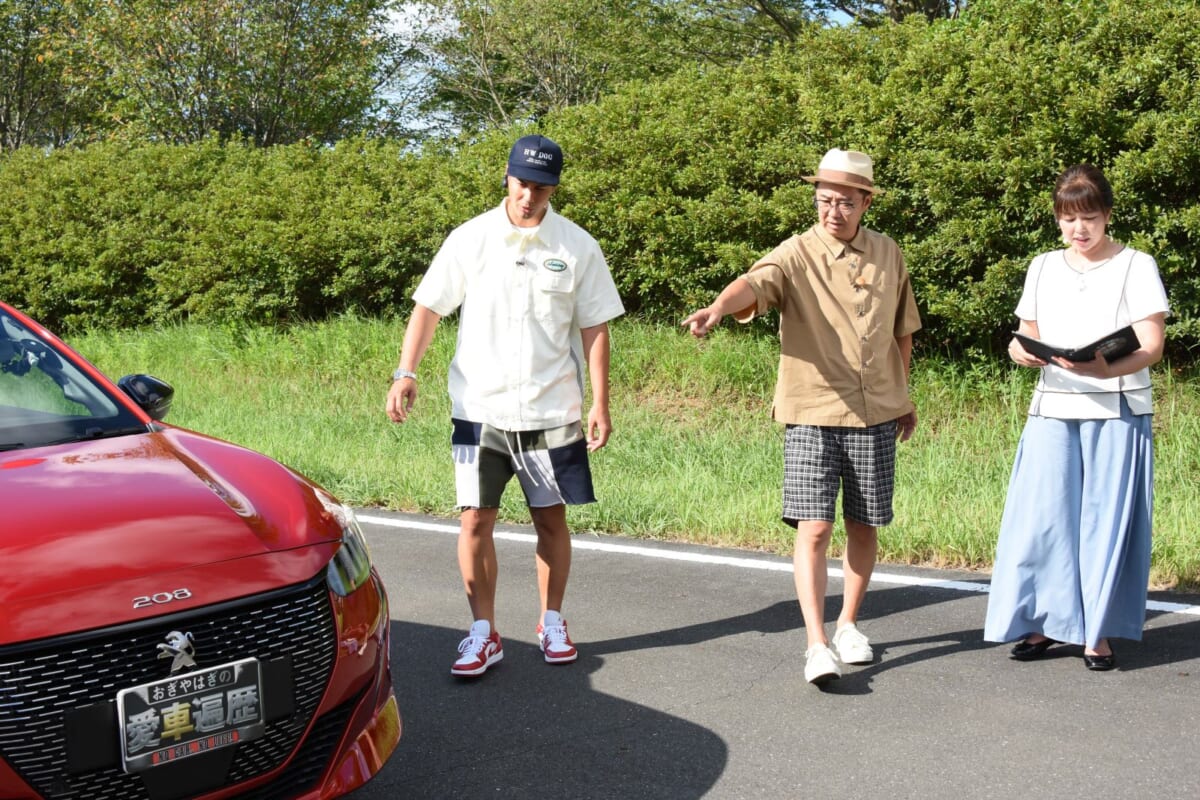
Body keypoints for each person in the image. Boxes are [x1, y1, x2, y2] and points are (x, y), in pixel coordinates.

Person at [385, 134, 625, 678]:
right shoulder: (471, 239)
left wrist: (601, 402)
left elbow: (595, 327)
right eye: (522, 184)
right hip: (480, 408)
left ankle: (552, 620)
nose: (529, 197)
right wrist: (406, 372)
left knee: (551, 520)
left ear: (554, 188)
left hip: (553, 409)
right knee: (475, 521)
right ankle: (483, 631)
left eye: (541, 188)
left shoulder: (576, 246)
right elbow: (428, 308)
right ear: (507, 179)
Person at [681, 148, 921, 685]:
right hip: (811, 408)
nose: (833, 211)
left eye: (844, 201)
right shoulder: (796, 252)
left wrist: (902, 396)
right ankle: (815, 643)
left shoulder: (889, 253)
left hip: (875, 410)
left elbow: (903, 331)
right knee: (814, 527)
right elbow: (755, 281)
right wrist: (719, 307)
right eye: (824, 200)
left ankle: (849, 625)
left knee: (864, 524)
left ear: (865, 202)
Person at [984, 164, 1168, 671]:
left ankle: (1096, 634)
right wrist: (1018, 351)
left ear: (1107, 215)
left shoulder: (1137, 264)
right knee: (1044, 520)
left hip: (1118, 409)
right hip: (1052, 408)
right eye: (1069, 220)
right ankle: (1045, 622)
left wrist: (1107, 369)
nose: (1079, 229)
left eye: (1089, 217)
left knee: (1104, 523)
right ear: (1058, 221)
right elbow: (1024, 334)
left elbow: (1151, 345)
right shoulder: (1042, 266)